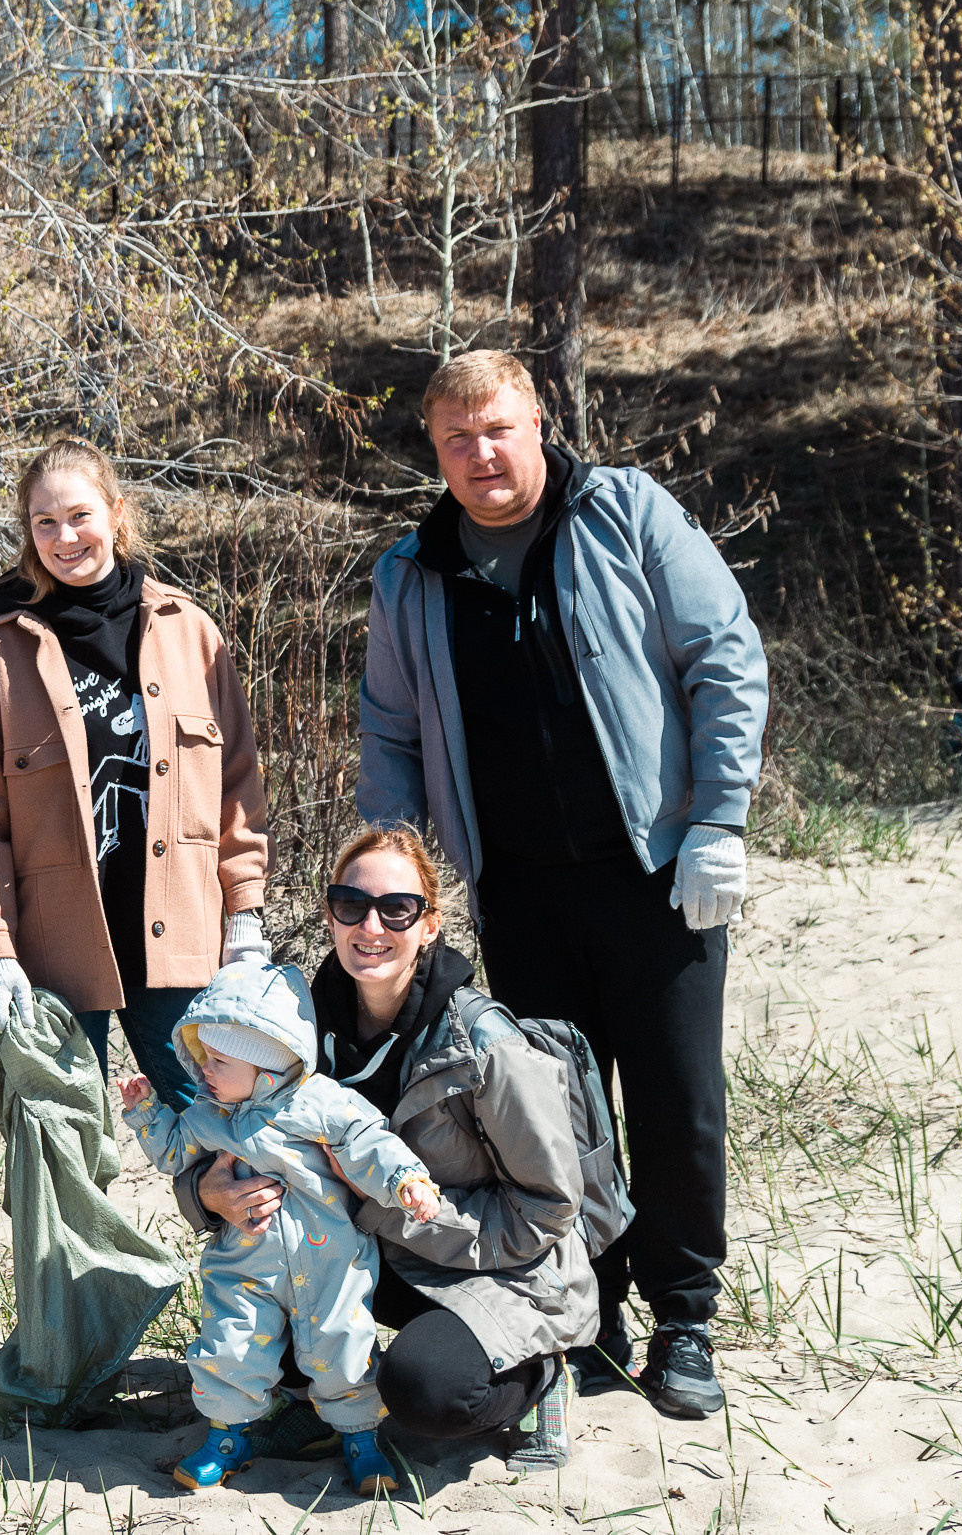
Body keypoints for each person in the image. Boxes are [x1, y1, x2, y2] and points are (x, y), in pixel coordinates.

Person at [357, 349, 768, 1418]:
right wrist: (402, 868)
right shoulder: (412, 573)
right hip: (518, 892)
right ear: (435, 450)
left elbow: (722, 654)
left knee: (676, 1101)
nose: (480, 454)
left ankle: (684, 1319)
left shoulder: (621, 514)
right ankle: (593, 1310)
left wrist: (717, 819)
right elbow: (391, 730)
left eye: (497, 429)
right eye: (456, 438)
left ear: (538, 422)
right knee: (557, 1118)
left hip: (655, 874)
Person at [181, 828, 598, 1469]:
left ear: (429, 925)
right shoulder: (291, 1023)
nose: (370, 925)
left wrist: (386, 1208)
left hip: (496, 1268)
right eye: (351, 904)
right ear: (330, 914)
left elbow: (546, 1211)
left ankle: (542, 1377)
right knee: (257, 1330)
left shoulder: (485, 1044)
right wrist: (206, 1194)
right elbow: (219, 1124)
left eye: (396, 908)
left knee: (427, 1391)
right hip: (345, 1255)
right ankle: (314, 1404)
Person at [0, 439, 271, 1109]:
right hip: (53, 959)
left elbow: (235, 782)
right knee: (62, 1155)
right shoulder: (0, 652)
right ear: (29, 532)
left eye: (80, 515)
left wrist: (245, 916)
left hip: (181, 944)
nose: (65, 537)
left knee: (224, 1137)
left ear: (118, 513)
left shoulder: (189, 632)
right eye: (45, 522)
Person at [116, 962, 435, 1496]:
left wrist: (406, 1178)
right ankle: (227, 1435)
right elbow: (175, 1154)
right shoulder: (208, 1113)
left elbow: (366, 1141)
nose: (204, 1070)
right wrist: (148, 1113)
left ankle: (361, 1440)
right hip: (244, 1265)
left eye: (218, 1060)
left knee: (343, 1347)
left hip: (330, 1262)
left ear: (267, 1066)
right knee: (230, 1346)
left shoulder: (321, 1102)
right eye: (203, 1058)